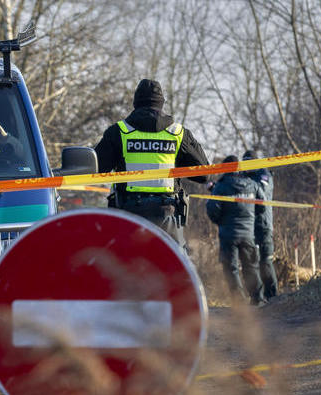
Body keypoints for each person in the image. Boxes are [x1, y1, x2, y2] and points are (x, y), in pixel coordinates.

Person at [94, 79, 210, 249]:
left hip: (128, 216)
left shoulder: (119, 132)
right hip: (167, 215)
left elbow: (96, 168)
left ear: (136, 103)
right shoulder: (178, 134)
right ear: (161, 103)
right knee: (174, 268)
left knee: (119, 267)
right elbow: (204, 175)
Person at [206, 155, 266, 306]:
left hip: (227, 234)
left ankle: (239, 302)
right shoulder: (252, 184)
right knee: (251, 266)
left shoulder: (221, 186)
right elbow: (262, 205)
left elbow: (212, 209)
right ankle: (258, 299)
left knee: (231, 268)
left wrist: (220, 222)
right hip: (248, 234)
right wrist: (251, 219)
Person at [242, 149, 277, 299]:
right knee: (250, 262)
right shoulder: (245, 176)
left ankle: (273, 296)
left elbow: (262, 191)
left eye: (249, 163)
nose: (246, 167)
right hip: (248, 225)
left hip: (263, 225)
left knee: (265, 262)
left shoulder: (264, 174)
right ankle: (257, 296)